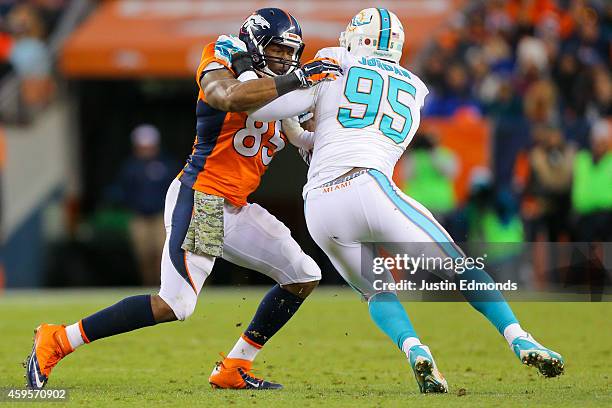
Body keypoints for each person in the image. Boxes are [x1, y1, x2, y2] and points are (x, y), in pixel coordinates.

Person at [248, 7, 564, 393]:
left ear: (356, 39)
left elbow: (290, 123)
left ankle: (415, 348)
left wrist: (270, 99)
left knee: (377, 289)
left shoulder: (333, 59)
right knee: (463, 270)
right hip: (370, 187)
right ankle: (519, 337)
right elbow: (359, 135)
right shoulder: (415, 89)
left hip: (319, 205)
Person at [25, 8, 342, 390]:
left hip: (237, 206)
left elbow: (300, 134)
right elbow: (226, 97)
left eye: (291, 53)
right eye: (276, 49)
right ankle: (58, 339)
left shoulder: (285, 86)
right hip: (204, 198)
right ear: (256, 44)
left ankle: (233, 366)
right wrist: (297, 80)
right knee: (175, 305)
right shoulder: (225, 57)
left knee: (303, 275)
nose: (285, 60)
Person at [107, 124, 178, 286]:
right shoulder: (130, 167)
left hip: (161, 216)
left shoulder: (166, 165)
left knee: (162, 253)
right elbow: (122, 190)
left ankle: (164, 287)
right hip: (139, 217)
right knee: (143, 255)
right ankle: (149, 285)